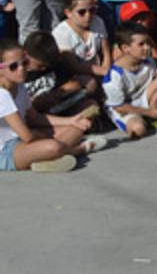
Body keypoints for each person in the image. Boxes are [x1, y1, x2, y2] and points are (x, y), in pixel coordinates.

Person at [0, 39, 100, 173]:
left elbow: (34, 118)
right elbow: (27, 136)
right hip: (5, 150)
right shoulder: (2, 95)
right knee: (53, 147)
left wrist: (72, 120)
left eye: (25, 63)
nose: (22, 69)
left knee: (76, 129)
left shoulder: (19, 85)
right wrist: (46, 137)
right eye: (13, 66)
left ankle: (42, 160)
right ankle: (78, 150)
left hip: (22, 141)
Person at [103, 21, 157, 138]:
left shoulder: (147, 61)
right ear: (125, 48)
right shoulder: (114, 76)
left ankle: (150, 117)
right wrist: (149, 112)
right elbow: (120, 107)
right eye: (141, 44)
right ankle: (150, 115)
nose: (147, 48)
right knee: (139, 129)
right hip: (124, 109)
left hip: (142, 100)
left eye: (147, 43)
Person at [52, 0, 110, 90]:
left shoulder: (98, 22)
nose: (88, 15)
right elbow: (74, 66)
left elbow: (106, 52)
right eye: (81, 12)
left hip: (97, 70)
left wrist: (107, 70)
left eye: (92, 10)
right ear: (68, 13)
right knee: (90, 83)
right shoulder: (61, 33)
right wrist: (104, 71)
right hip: (72, 76)